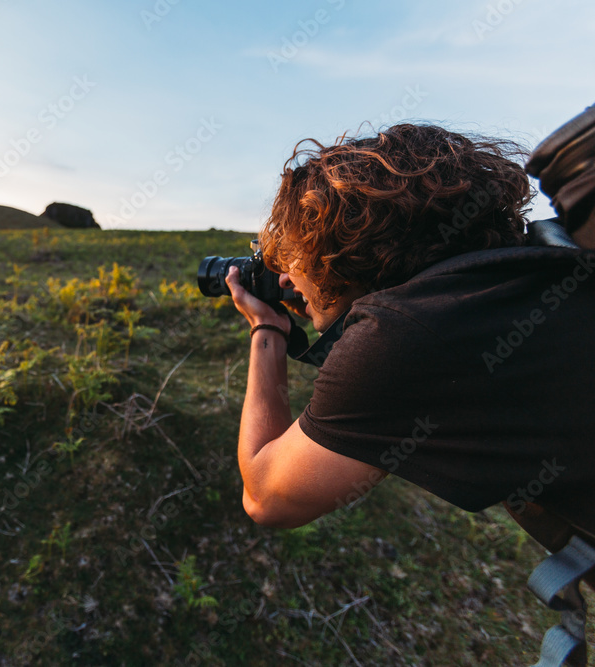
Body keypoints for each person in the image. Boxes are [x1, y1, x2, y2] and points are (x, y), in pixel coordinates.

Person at [224, 123, 595, 550]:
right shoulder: (526, 270)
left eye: (293, 256)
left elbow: (267, 498)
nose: (286, 279)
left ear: (336, 249)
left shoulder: (403, 333)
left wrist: (266, 327)